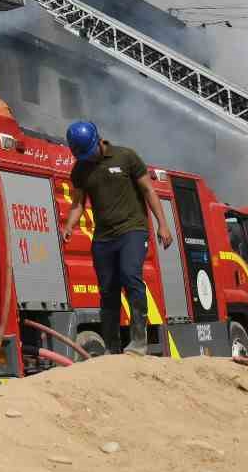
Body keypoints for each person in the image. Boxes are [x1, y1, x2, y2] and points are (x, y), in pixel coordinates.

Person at [58, 121, 174, 355]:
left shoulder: (126, 157)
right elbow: (78, 203)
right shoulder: (80, 169)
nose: (87, 159)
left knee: (130, 276)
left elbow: (148, 190)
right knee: (108, 290)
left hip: (132, 229)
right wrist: (68, 226)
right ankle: (112, 347)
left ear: (99, 141)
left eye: (88, 153)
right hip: (103, 236)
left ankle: (139, 340)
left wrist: (163, 224)